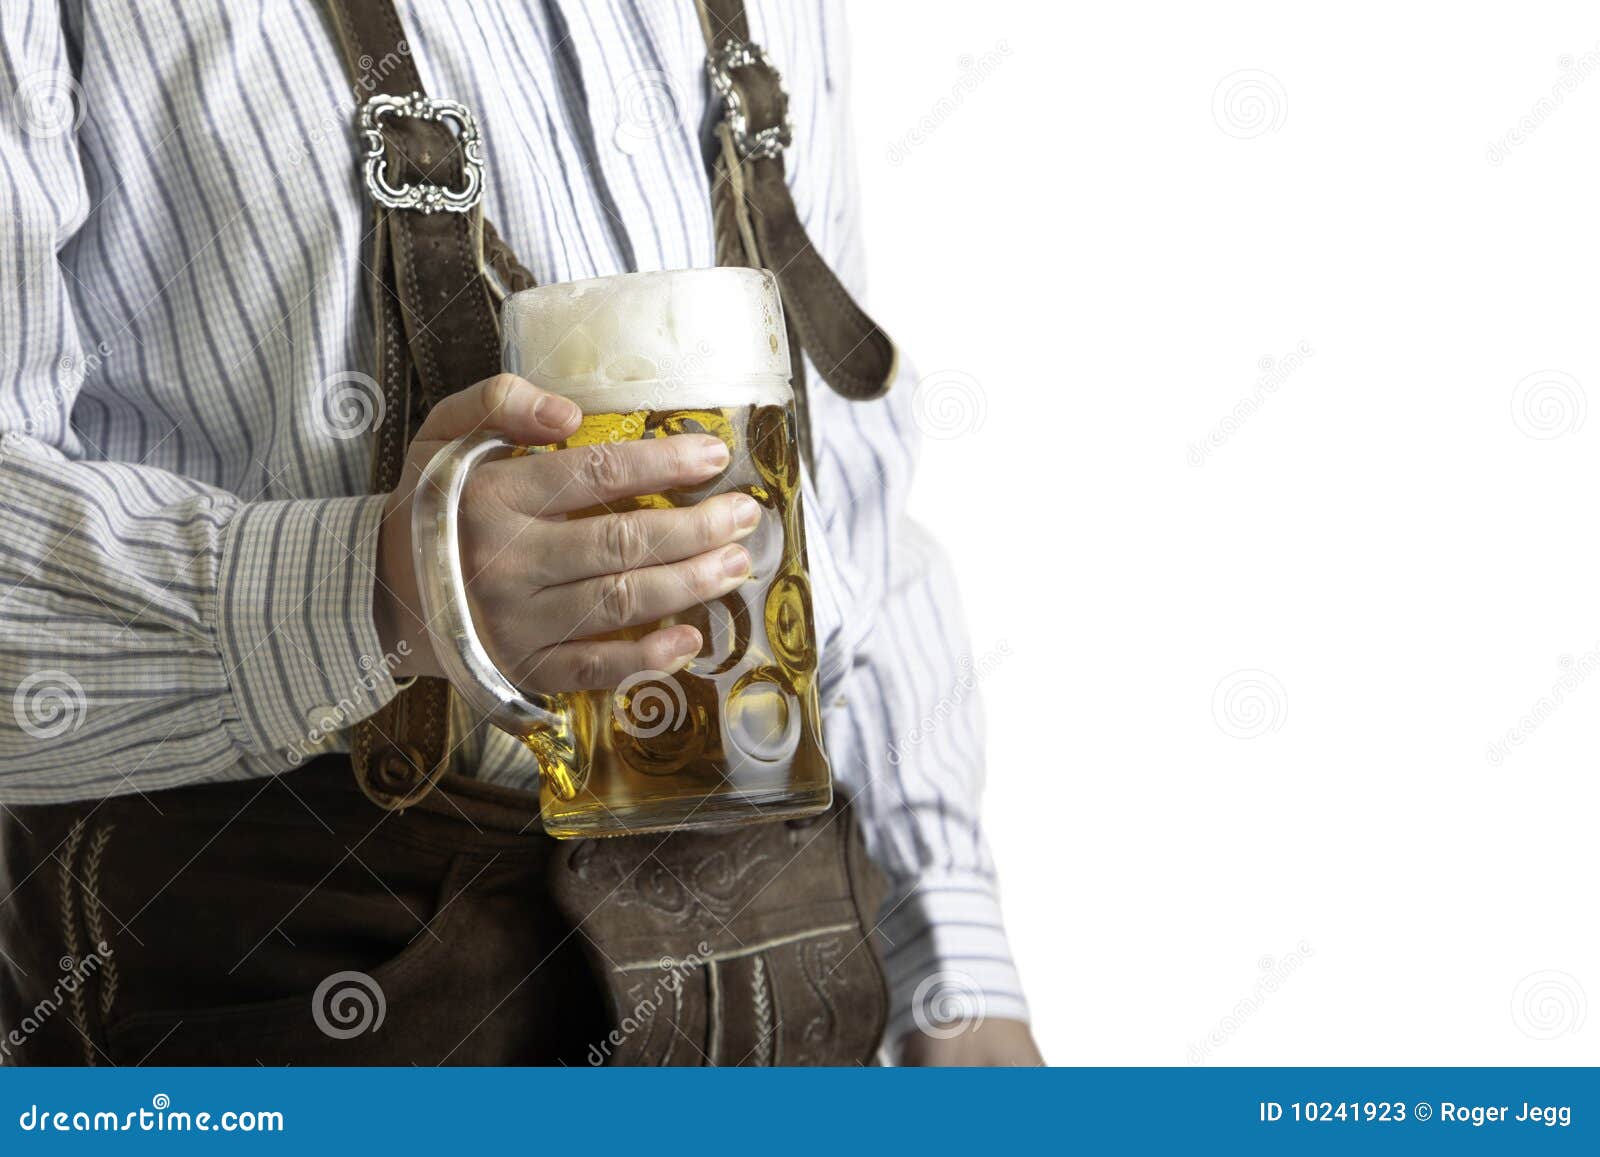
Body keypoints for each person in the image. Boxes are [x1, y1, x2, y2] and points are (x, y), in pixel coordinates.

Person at [0, 0, 1038, 1066]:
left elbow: (852, 505)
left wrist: (950, 961)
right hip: (303, 993)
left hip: (791, 976)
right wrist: (377, 592)